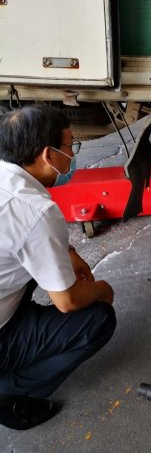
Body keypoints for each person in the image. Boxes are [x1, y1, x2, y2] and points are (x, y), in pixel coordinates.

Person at [0, 104, 116, 430]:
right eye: (69, 146)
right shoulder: (35, 209)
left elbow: (18, 235)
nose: (72, 154)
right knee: (98, 319)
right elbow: (68, 301)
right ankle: (10, 392)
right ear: (47, 155)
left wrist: (68, 251)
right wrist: (103, 289)